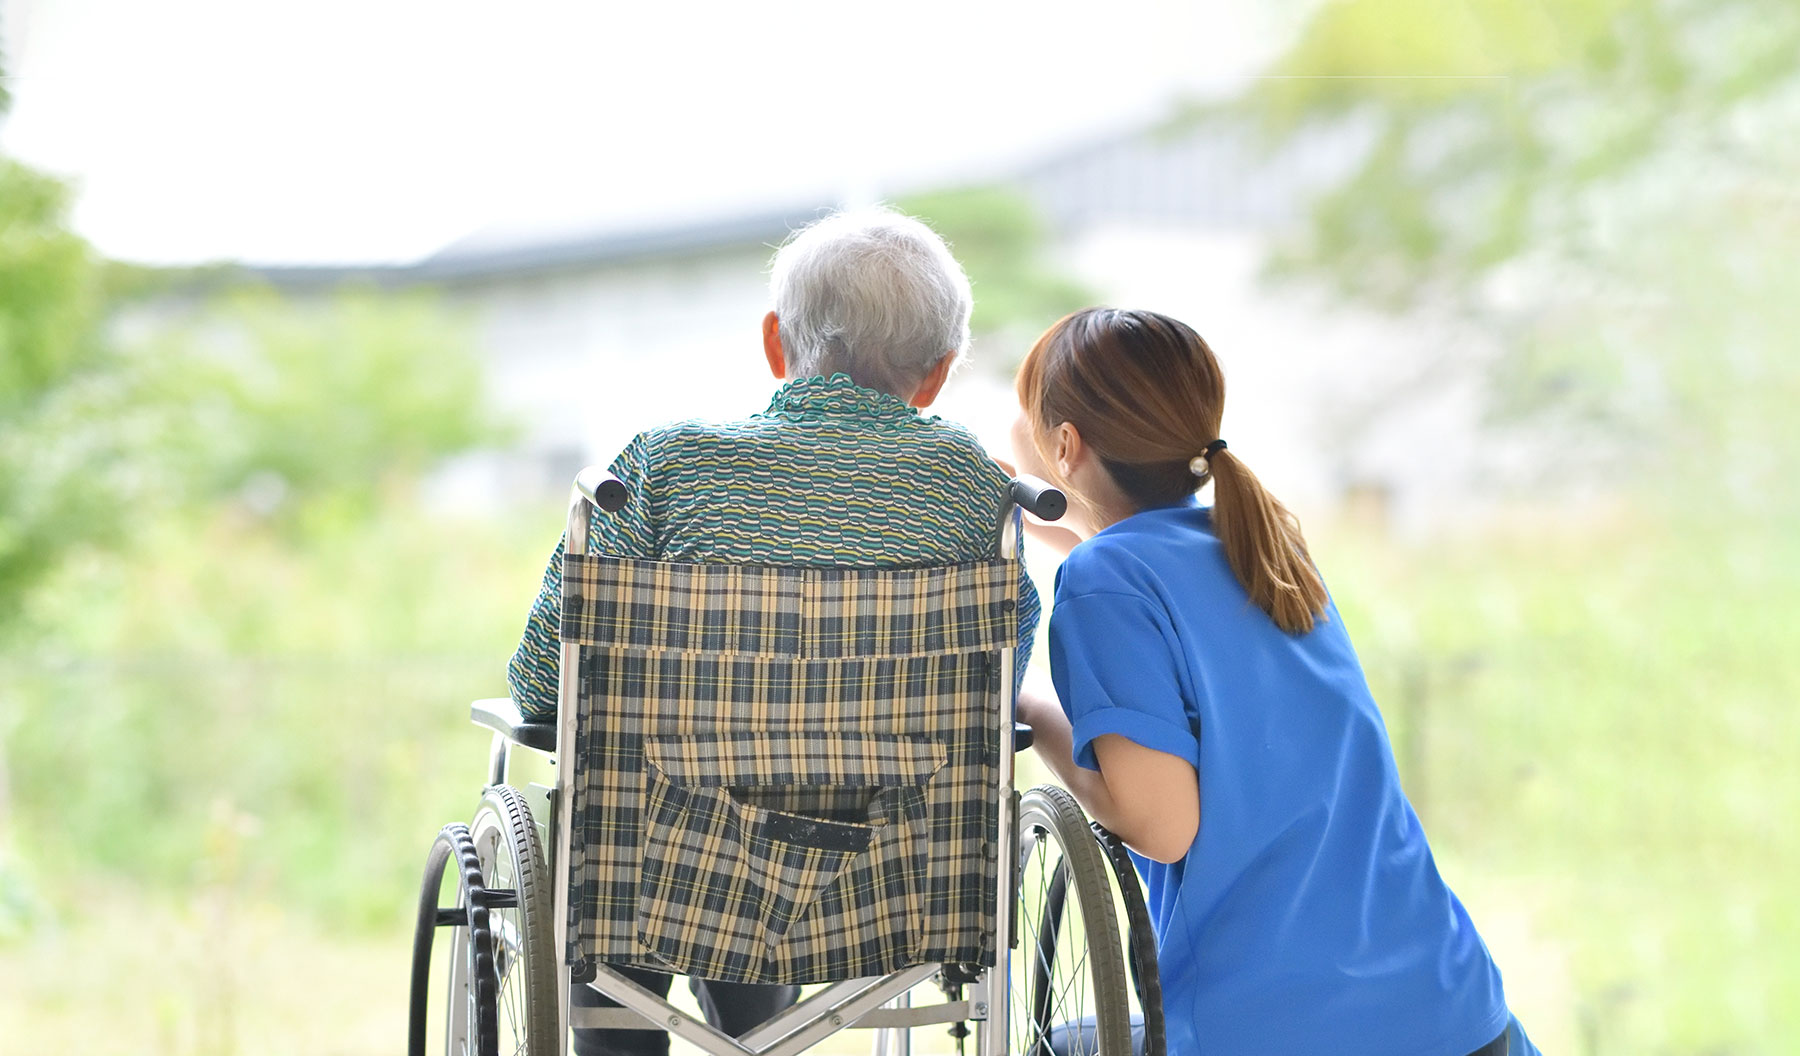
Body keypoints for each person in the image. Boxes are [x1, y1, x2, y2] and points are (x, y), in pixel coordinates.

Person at [505, 208, 1041, 1056]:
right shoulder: (972, 489)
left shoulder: (663, 466)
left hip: (661, 868)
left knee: (664, 812)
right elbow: (996, 679)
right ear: (937, 375)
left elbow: (548, 680)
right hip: (890, 871)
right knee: (792, 801)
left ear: (773, 341)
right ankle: (762, 1019)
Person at [1010, 307, 1539, 1056]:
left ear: (1064, 444)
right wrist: (1060, 513)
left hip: (1284, 1030)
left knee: (1054, 1045)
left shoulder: (1105, 582)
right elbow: (1144, 556)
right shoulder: (1262, 541)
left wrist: (1029, 708)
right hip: (1456, 1011)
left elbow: (1160, 824)